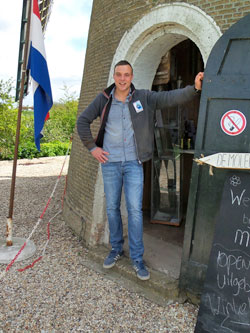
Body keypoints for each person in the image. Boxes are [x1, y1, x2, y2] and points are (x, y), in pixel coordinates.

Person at [77, 60, 204, 281]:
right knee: (112, 208)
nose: (123, 79)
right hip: (110, 163)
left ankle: (137, 258)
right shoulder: (104, 99)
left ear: (132, 76)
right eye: (119, 74)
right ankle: (116, 249)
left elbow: (169, 97)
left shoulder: (143, 97)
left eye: (126, 75)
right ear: (114, 76)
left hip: (133, 164)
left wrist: (193, 89)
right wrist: (93, 148)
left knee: (135, 211)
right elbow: (82, 121)